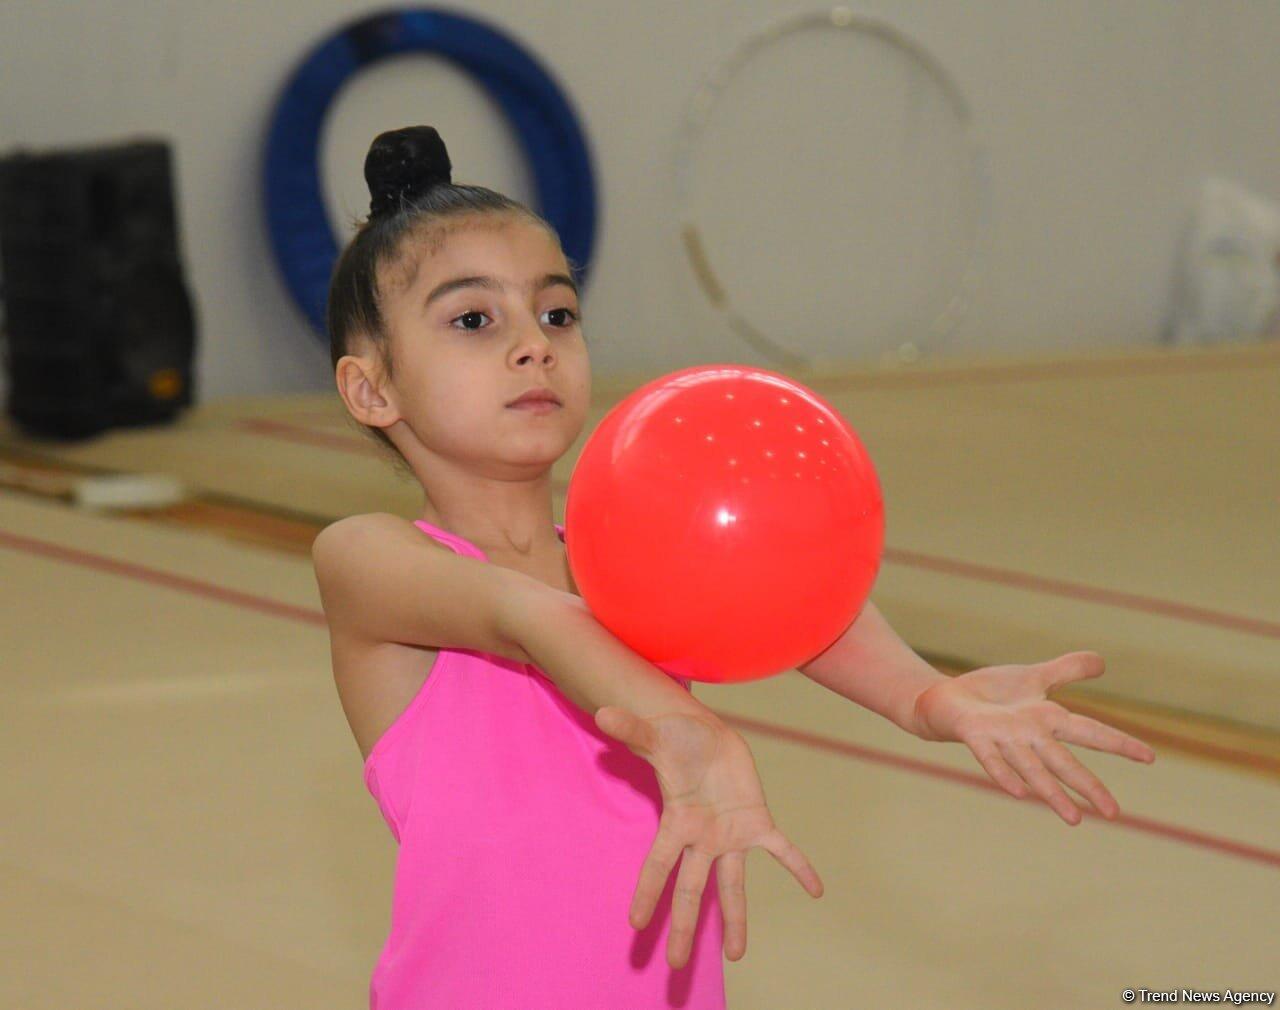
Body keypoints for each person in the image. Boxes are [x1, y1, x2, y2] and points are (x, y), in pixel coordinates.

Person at [312, 126, 1157, 1010]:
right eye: (474, 320)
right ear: (373, 389)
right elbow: (525, 618)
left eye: (557, 312)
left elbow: (783, 586)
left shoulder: (622, 553)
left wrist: (922, 695)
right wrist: (693, 732)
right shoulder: (372, 560)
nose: (535, 345)